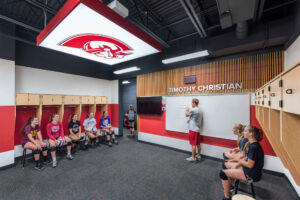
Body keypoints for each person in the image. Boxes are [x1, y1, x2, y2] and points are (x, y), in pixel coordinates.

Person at [219, 125, 264, 200]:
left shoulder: (254, 147)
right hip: (248, 169)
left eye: (245, 131)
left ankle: (226, 197)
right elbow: (246, 159)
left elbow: (249, 165)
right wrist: (236, 163)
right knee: (225, 164)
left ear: (251, 134)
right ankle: (230, 185)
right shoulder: (251, 144)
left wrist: (238, 161)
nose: (243, 132)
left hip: (252, 174)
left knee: (222, 173)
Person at [185, 98, 203, 162]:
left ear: (194, 103)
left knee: (193, 144)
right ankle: (198, 155)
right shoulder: (200, 110)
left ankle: (193, 157)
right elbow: (195, 118)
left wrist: (186, 110)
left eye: (192, 103)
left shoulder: (193, 109)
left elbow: (186, 115)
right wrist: (190, 120)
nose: (191, 104)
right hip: (197, 129)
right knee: (198, 143)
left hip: (192, 129)